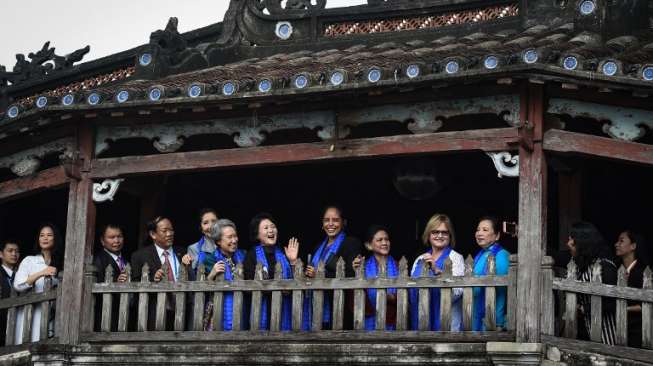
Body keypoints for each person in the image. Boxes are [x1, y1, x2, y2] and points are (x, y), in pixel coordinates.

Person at [303, 205, 362, 329]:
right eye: (326, 220)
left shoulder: (351, 243)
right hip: (316, 306)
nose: (330, 224)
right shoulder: (318, 247)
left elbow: (351, 275)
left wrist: (320, 275)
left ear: (343, 222)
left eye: (335, 220)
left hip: (340, 307)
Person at [243, 212, 299, 331]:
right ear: (257, 235)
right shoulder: (251, 255)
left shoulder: (284, 253)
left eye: (273, 226)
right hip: (262, 311)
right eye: (266, 228)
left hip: (285, 309)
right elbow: (248, 287)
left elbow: (298, 282)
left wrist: (293, 261)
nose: (271, 230)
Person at [409, 214, 464, 331]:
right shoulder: (419, 260)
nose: (440, 235)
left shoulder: (456, 258)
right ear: (428, 235)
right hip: (420, 321)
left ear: (450, 235)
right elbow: (410, 291)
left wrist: (437, 271)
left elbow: (458, 292)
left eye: (444, 232)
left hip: (447, 323)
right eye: (435, 232)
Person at [131, 216, 185, 330]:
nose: (170, 233)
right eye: (165, 231)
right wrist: (152, 281)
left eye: (171, 230)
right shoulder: (140, 256)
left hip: (182, 311)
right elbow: (134, 286)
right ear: (153, 234)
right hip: (154, 315)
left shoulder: (182, 252)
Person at [568, 221, 617, 345]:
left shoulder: (606, 267)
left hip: (605, 336)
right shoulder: (580, 265)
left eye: (571, 239)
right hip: (580, 334)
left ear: (583, 242)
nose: (568, 243)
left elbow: (611, 303)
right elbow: (555, 255)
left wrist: (584, 309)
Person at [14, 223, 63, 344]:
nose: (45, 238)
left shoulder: (59, 264)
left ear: (55, 239)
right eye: (42, 235)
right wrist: (42, 272)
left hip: (51, 316)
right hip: (31, 313)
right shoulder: (30, 260)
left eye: (49, 235)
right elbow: (18, 285)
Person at [202, 219, 246, 331]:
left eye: (235, 236)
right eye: (229, 237)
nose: (234, 240)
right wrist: (212, 274)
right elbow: (201, 289)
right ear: (218, 241)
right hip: (219, 311)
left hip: (242, 308)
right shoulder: (210, 259)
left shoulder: (244, 256)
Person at [352, 225, 398, 330]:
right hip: (368, 322)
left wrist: (391, 297)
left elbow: (408, 298)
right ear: (369, 245)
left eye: (386, 239)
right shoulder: (363, 268)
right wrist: (357, 273)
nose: (384, 243)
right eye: (379, 240)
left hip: (394, 322)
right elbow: (354, 301)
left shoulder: (398, 266)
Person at [472, 216, 510, 331]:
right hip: (476, 314)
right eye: (478, 230)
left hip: (492, 320)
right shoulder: (480, 255)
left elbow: (501, 292)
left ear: (497, 235)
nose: (479, 233)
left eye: (485, 230)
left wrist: (498, 322)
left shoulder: (501, 255)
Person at [93, 224, 129, 331]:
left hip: (125, 316)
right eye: (111, 237)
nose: (116, 240)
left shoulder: (126, 260)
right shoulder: (98, 260)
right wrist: (114, 284)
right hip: (106, 317)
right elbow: (96, 288)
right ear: (102, 241)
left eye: (119, 236)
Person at [614, 230, 647, 348]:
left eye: (621, 241)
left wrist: (624, 308)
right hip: (618, 329)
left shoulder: (643, 273)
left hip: (639, 330)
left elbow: (646, 305)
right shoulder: (615, 270)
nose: (616, 244)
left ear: (633, 246)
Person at [181, 208, 218, 280]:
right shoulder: (194, 248)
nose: (211, 226)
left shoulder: (229, 243)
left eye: (214, 221)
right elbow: (194, 279)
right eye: (205, 223)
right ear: (201, 227)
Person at [0, 239, 20, 345]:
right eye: (10, 250)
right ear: (1, 254)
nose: (14, 254)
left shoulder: (21, 275)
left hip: (17, 324)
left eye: (16, 251)